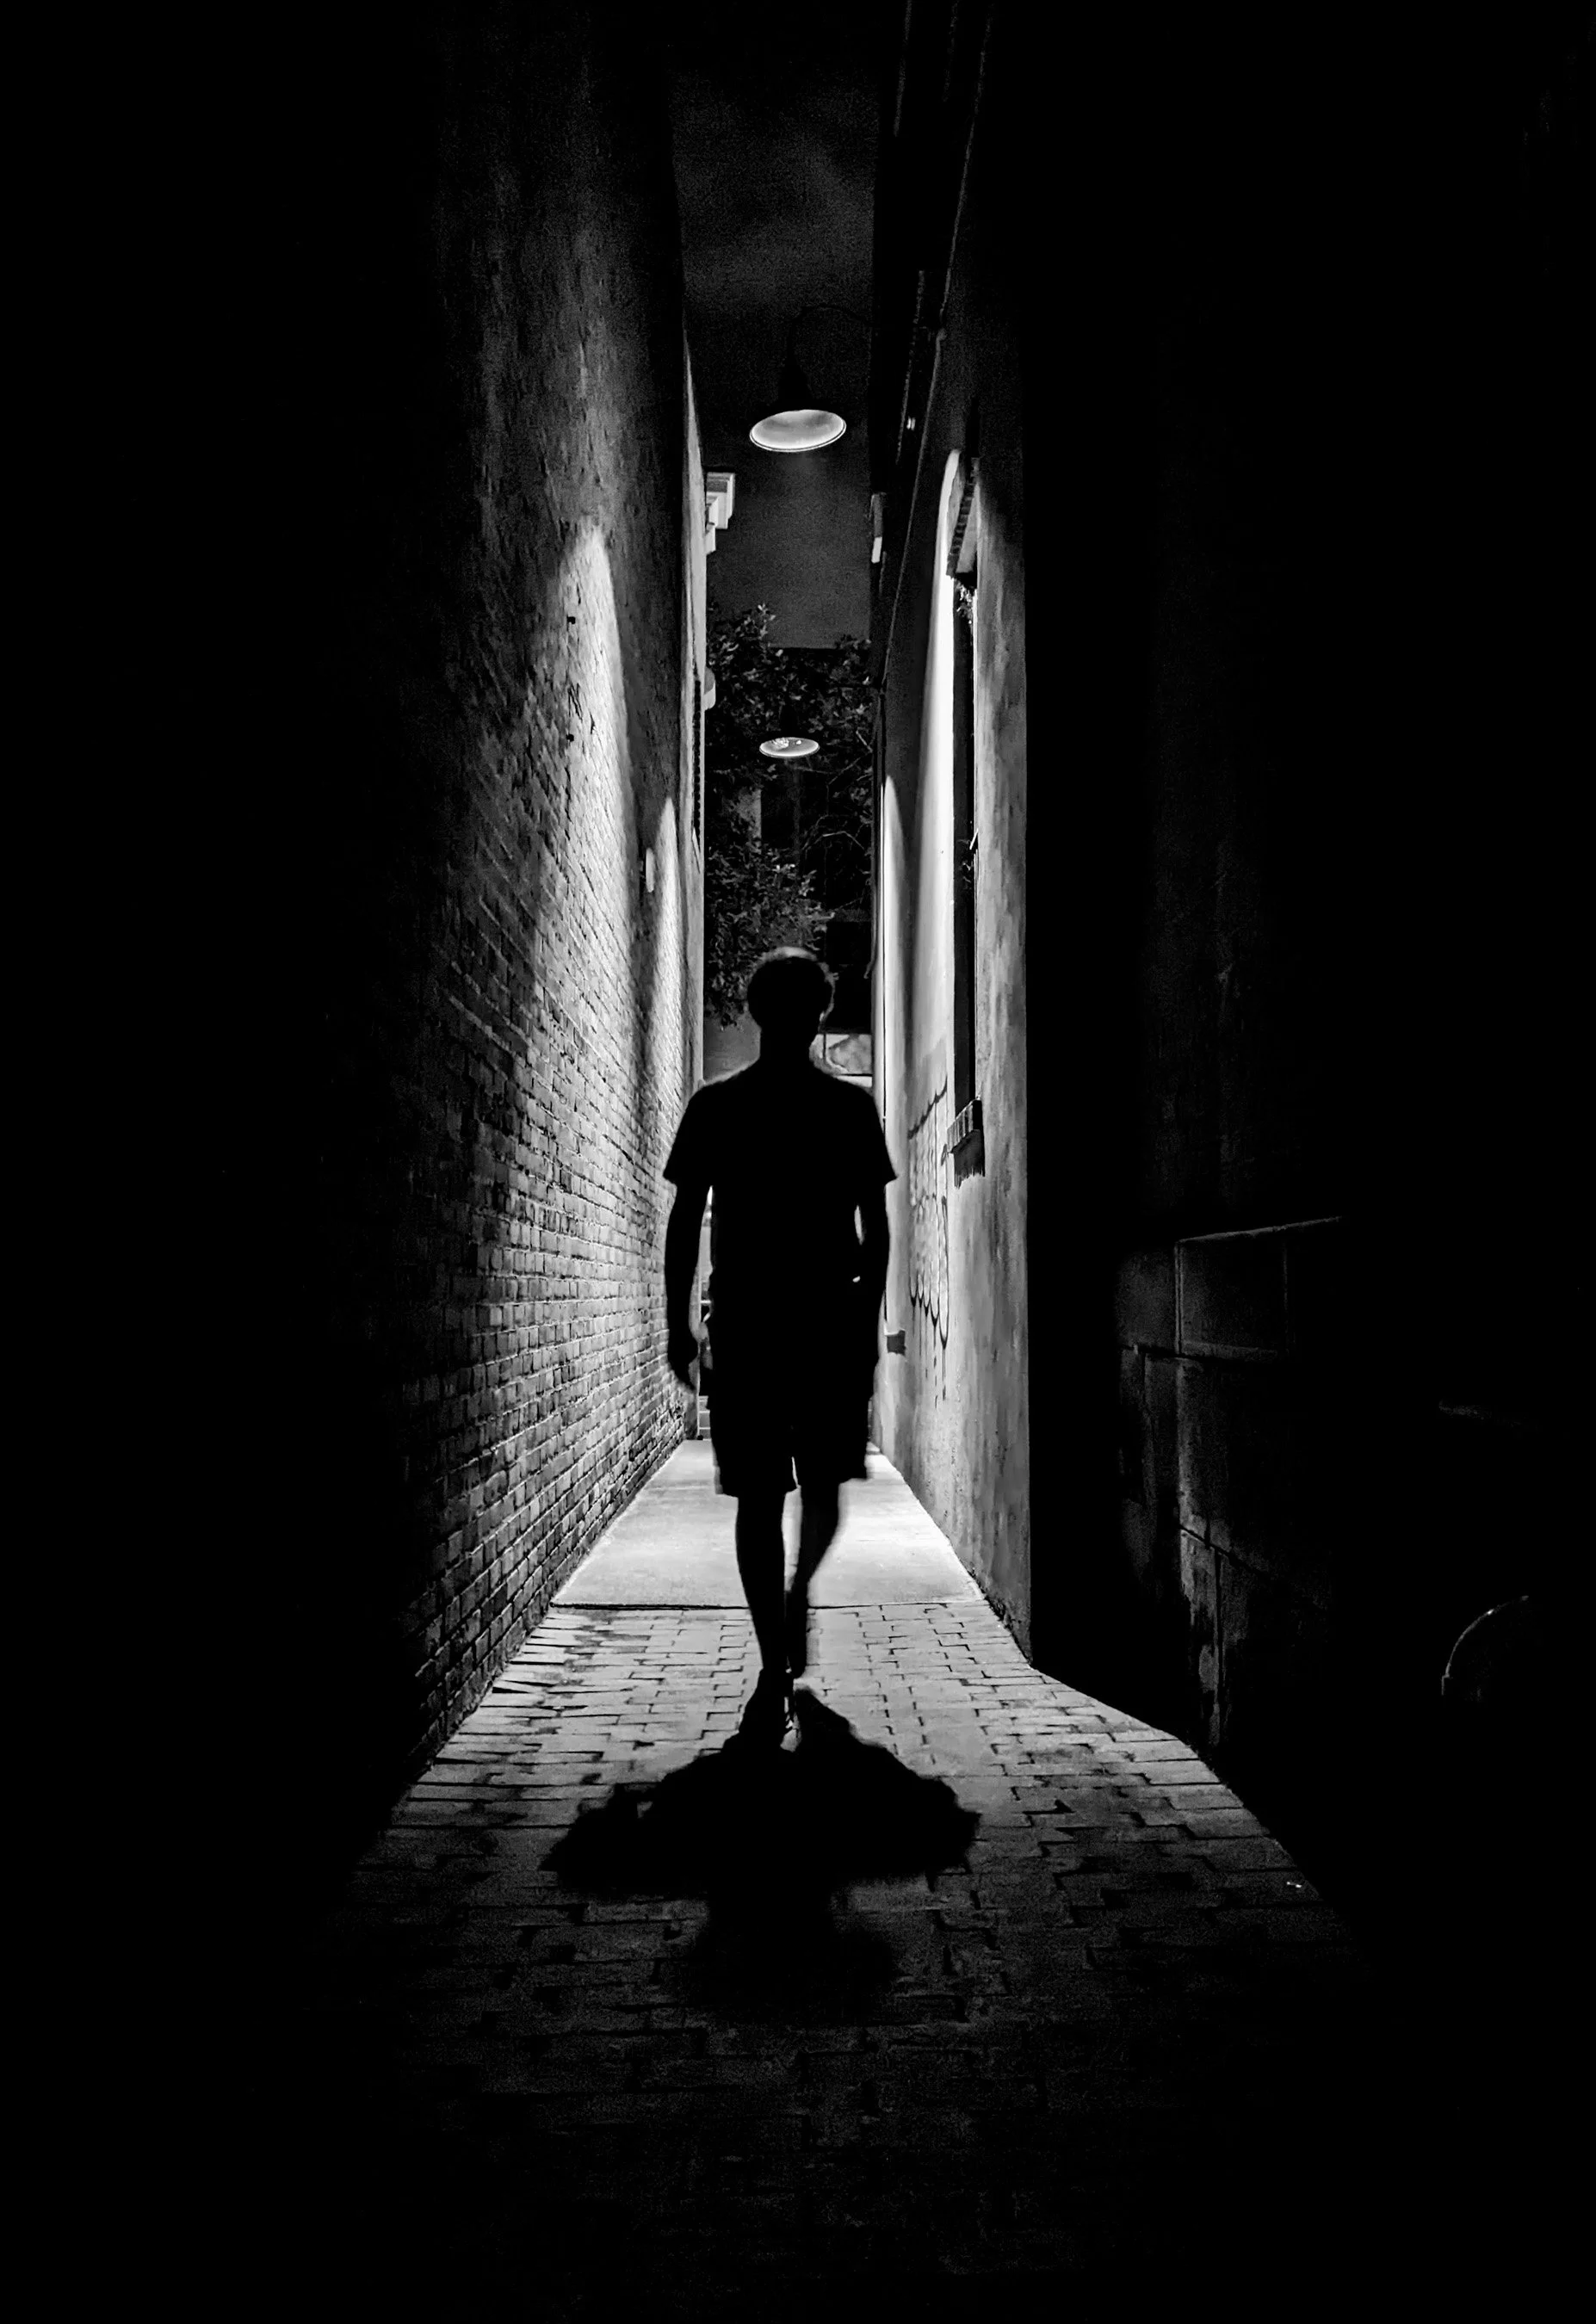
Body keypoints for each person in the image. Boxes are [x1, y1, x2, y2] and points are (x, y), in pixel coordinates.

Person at [663, 949, 894, 1743]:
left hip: (755, 1327)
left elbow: (684, 1217)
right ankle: (796, 1600)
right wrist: (867, 1325)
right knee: (823, 1486)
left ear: (755, 1012)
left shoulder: (717, 1105)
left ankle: (772, 1658)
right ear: (822, 1014)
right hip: (827, 1323)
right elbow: (877, 1228)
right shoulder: (848, 1109)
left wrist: (677, 1319)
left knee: (760, 1499)